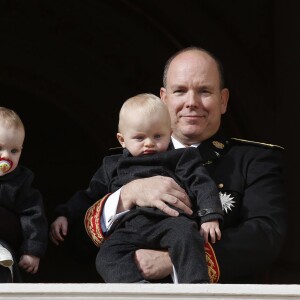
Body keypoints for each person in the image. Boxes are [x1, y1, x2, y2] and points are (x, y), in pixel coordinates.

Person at [85, 46, 287, 283]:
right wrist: (127, 195)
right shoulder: (123, 159)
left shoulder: (253, 160)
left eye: (204, 91)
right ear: (163, 99)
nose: (192, 102)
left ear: (223, 100)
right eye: (180, 91)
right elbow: (75, 238)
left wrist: (174, 259)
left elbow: (265, 237)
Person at [94, 93, 223, 283]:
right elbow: (89, 196)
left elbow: (201, 183)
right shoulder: (112, 165)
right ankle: (136, 289)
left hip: (171, 223)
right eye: (139, 137)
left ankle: (196, 290)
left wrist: (210, 215)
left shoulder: (182, 157)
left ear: (169, 133)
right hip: (132, 227)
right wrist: (65, 215)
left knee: (188, 236)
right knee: (106, 255)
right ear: (122, 140)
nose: (149, 143)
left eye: (157, 136)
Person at [0, 107, 48, 282]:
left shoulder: (20, 183)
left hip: (2, 246)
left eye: (14, 151)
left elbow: (33, 215)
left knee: (4, 261)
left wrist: (32, 250)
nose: (6, 156)